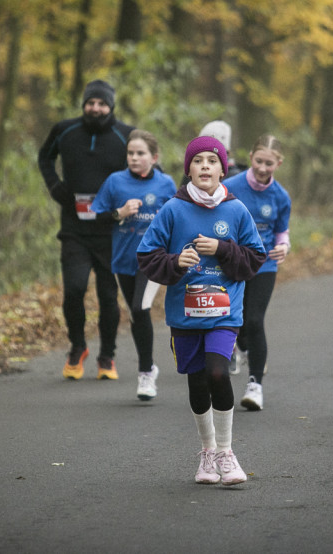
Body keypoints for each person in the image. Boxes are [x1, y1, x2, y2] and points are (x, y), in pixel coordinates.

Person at [137, 136, 266, 486]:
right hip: (186, 314)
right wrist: (176, 261)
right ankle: (207, 452)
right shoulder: (173, 209)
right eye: (198, 161)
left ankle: (226, 452)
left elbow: (255, 259)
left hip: (225, 313)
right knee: (197, 382)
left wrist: (223, 248)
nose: (205, 166)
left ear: (223, 169)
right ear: (188, 169)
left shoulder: (237, 210)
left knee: (218, 374)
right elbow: (147, 256)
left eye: (212, 160)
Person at [38, 79, 133, 380]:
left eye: (102, 103)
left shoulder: (126, 135)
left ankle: (107, 356)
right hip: (74, 227)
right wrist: (56, 187)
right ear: (84, 105)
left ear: (111, 106)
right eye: (90, 103)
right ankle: (77, 347)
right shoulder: (64, 130)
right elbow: (45, 157)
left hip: (111, 229)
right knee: (74, 289)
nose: (95, 108)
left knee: (108, 295)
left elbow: (144, 168)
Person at [92, 129, 177, 400]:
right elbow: (96, 218)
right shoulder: (115, 182)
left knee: (141, 307)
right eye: (130, 153)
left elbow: (179, 219)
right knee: (136, 314)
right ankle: (150, 367)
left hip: (153, 258)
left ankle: (144, 375)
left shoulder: (166, 184)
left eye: (140, 154)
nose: (134, 158)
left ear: (154, 157)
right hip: (123, 260)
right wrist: (119, 213)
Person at [222, 135, 291, 411]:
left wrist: (284, 245)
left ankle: (255, 385)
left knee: (254, 320)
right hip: (234, 263)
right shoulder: (229, 187)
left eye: (269, 163)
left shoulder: (280, 196)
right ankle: (239, 351)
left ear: (279, 163)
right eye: (259, 161)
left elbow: (281, 230)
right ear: (251, 157)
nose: (263, 168)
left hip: (265, 264)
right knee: (234, 319)